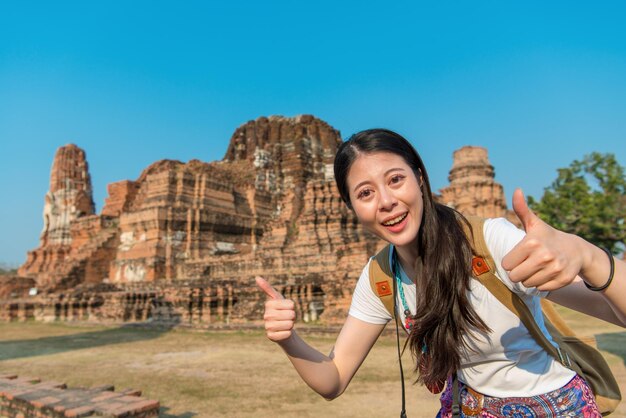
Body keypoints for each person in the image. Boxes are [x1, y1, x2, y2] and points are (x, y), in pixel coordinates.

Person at [256, 128, 626, 417]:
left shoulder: (490, 241)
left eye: (395, 179)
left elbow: (616, 312)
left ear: (420, 177)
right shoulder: (381, 276)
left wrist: (588, 255)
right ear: (352, 208)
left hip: (554, 407)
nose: (386, 202)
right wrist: (288, 338)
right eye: (365, 193)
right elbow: (333, 378)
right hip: (467, 409)